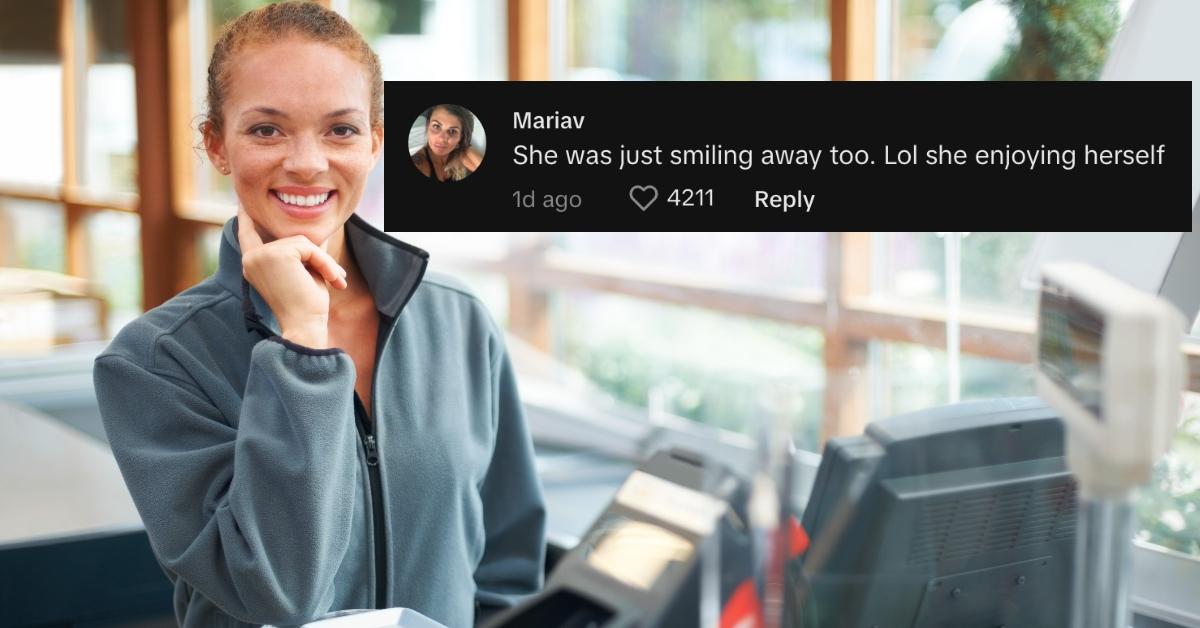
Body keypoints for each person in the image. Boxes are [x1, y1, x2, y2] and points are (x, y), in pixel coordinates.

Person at [91, 3, 545, 627]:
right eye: (267, 130)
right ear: (217, 145)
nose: (307, 162)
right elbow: (278, 593)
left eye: (340, 130)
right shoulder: (154, 362)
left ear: (377, 143)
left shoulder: (458, 320)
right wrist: (303, 342)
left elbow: (508, 567)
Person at [411, 104, 483, 182]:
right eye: (436, 126)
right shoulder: (419, 161)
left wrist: (463, 146)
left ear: (461, 136)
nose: (441, 138)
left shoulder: (461, 155)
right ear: (428, 125)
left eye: (452, 131)